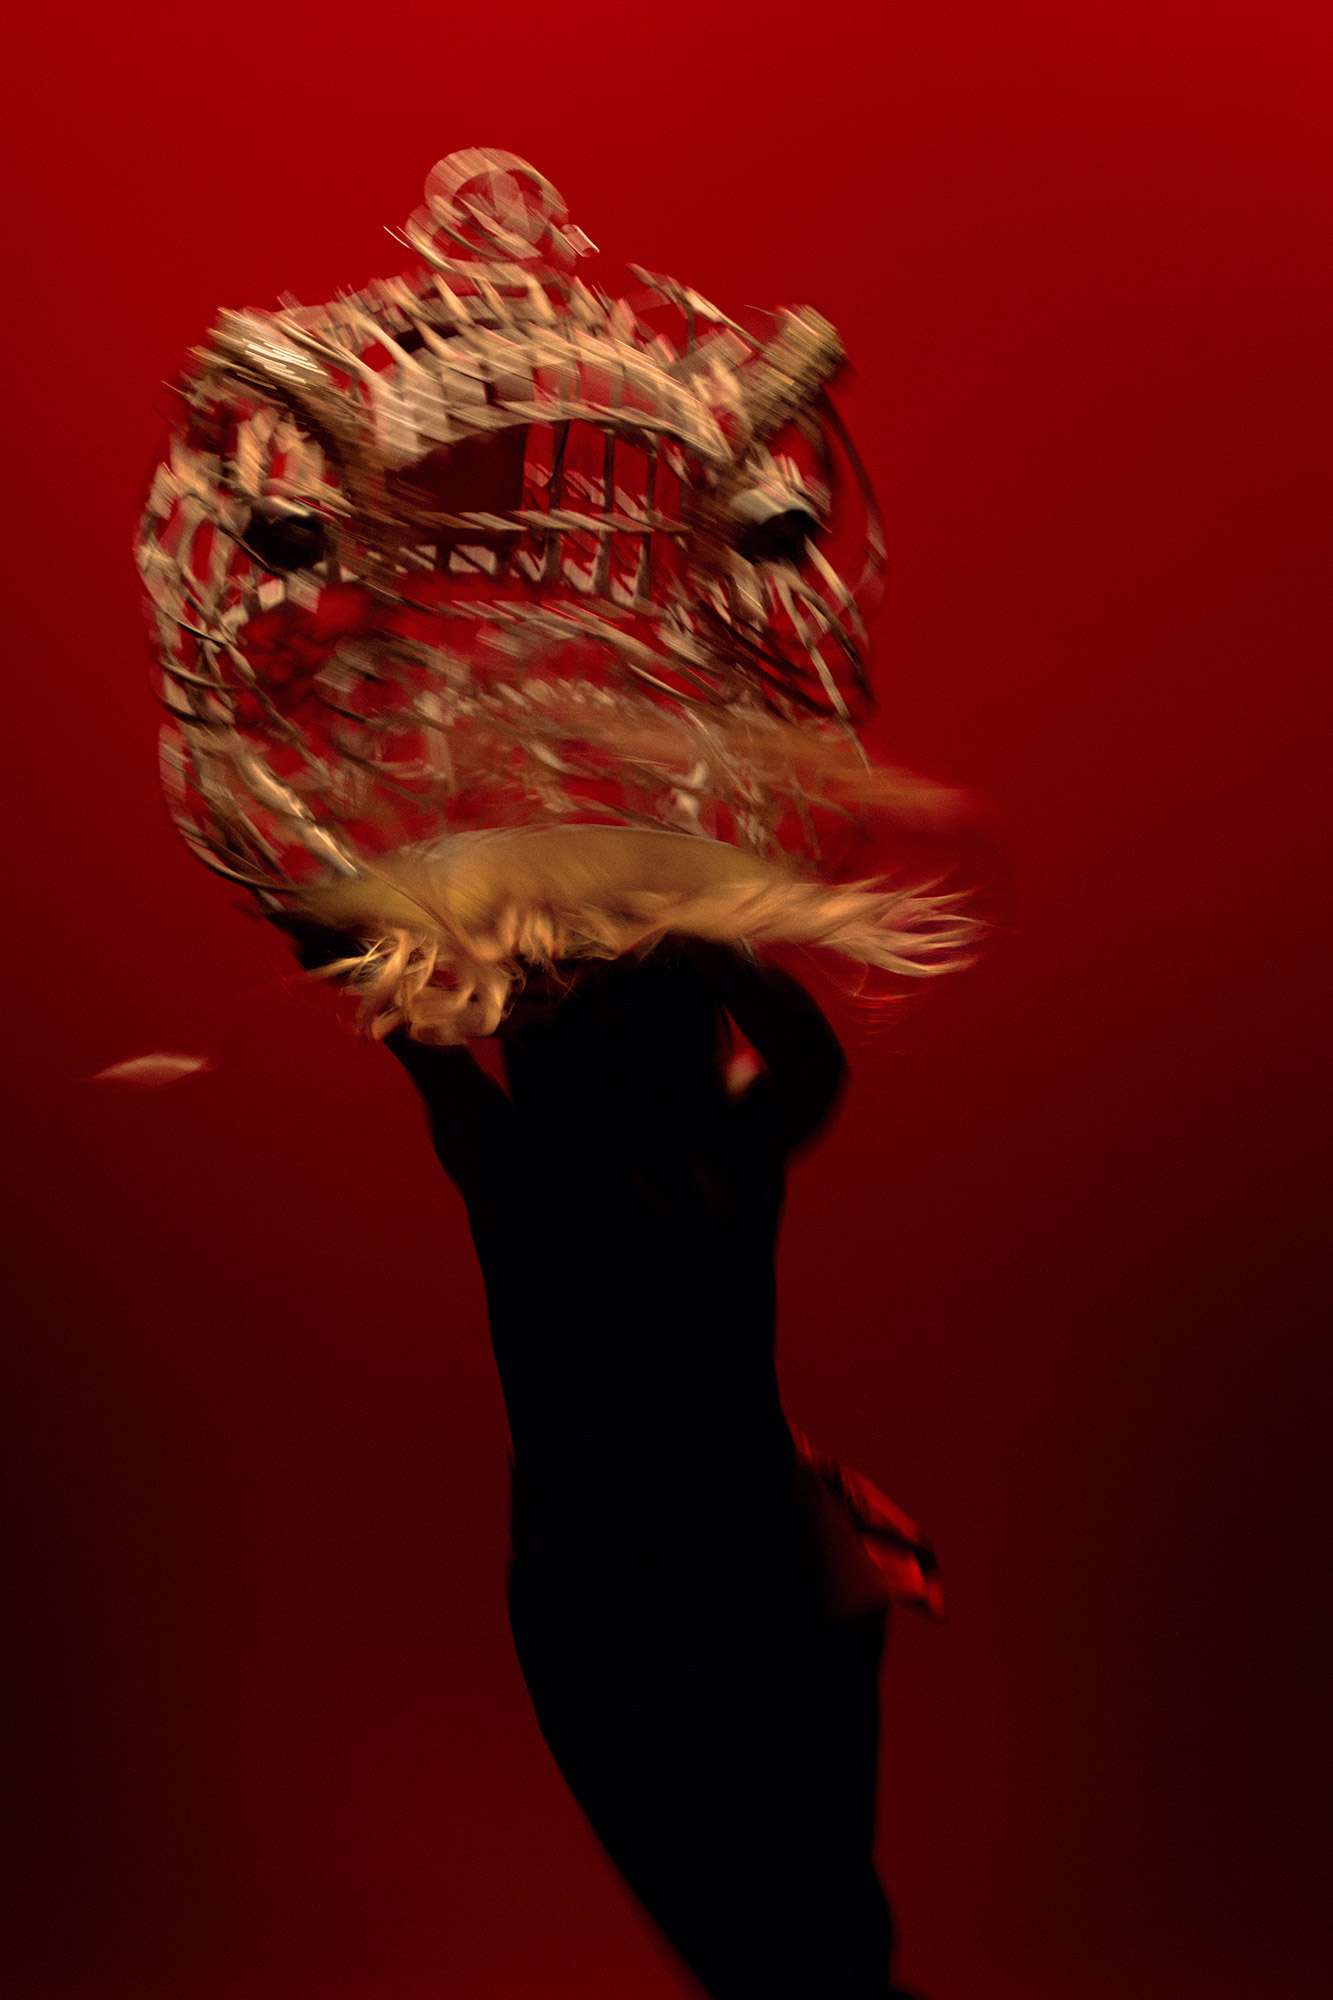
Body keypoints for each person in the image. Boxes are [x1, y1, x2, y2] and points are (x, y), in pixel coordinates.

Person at [373, 935, 927, 2000]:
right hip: (679, 1588)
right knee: (799, 1936)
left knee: (796, 1938)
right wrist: (695, 933)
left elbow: (810, 1065)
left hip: (686, 1582)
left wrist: (693, 936)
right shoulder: (676, 1151)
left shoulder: (586, 1154)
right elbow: (810, 1063)